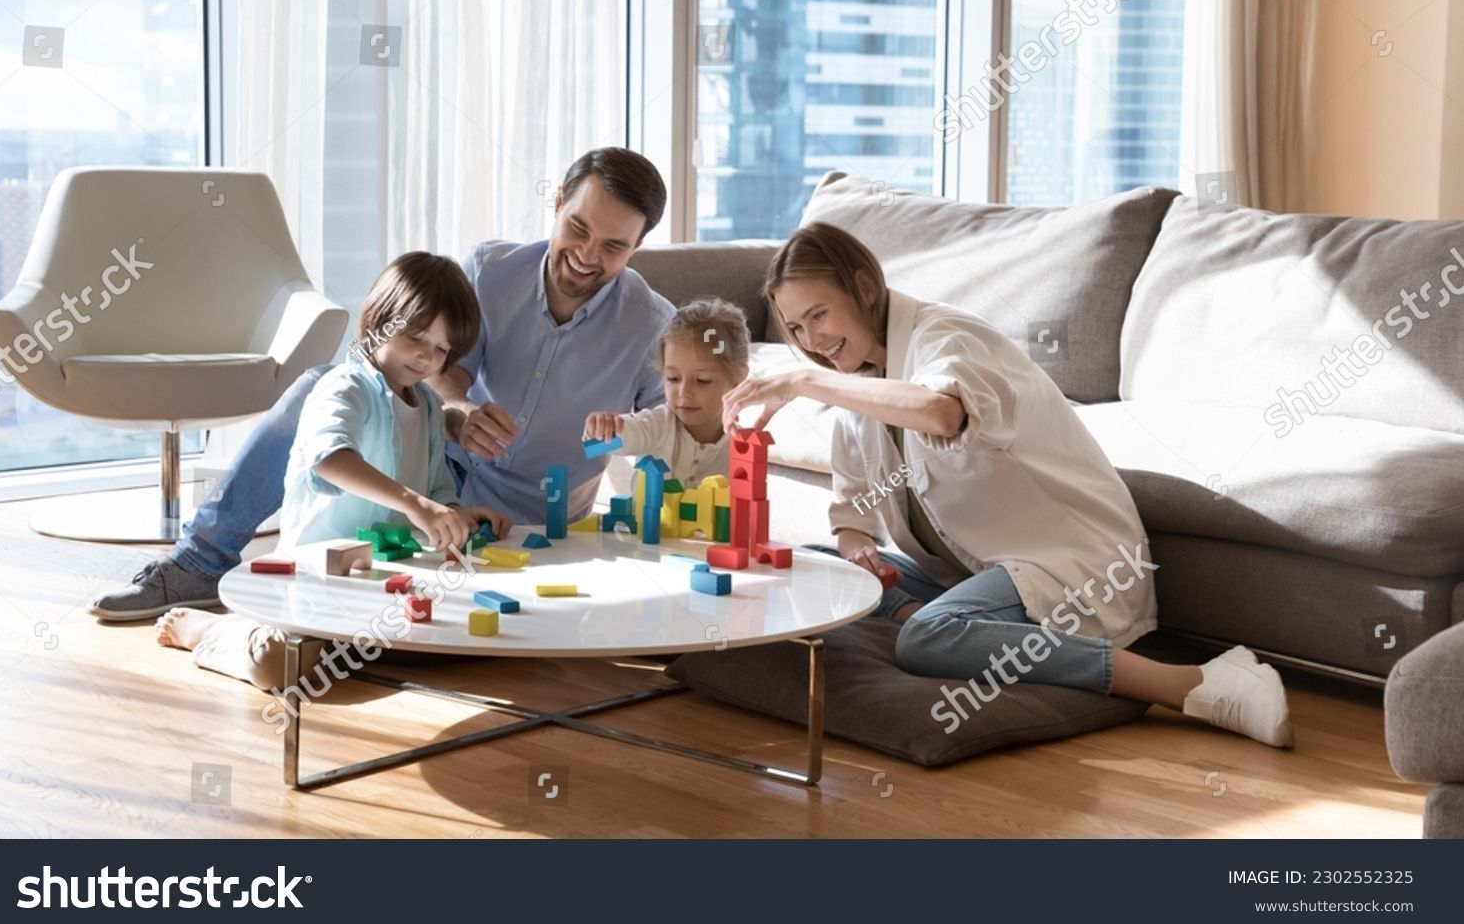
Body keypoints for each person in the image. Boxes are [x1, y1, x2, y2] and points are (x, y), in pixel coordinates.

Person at [720, 222, 1294, 748]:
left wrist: (804, 382)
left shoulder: (947, 338)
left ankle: (1191, 682)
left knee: (925, 639)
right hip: (970, 571)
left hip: (1071, 563)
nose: (811, 339)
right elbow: (850, 514)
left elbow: (942, 412)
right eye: (795, 328)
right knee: (813, 563)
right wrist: (856, 548)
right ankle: (940, 622)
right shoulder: (856, 388)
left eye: (818, 315)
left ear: (864, 288)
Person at [91, 147, 674, 621]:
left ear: (639, 245)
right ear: (555, 203)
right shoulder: (492, 270)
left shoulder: (652, 326)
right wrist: (457, 407)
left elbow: (674, 436)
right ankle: (200, 561)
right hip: (427, 469)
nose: (586, 256)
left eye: (614, 246)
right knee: (324, 385)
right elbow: (443, 367)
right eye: (577, 228)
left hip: (520, 516)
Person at [154, 253, 511, 688]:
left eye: (441, 349)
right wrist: (415, 505)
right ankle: (214, 630)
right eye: (415, 337)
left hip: (388, 581)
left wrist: (456, 511)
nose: (426, 357)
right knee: (278, 665)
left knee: (471, 643)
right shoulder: (346, 386)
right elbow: (331, 457)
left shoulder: (431, 406)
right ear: (380, 320)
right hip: (320, 579)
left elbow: (435, 486)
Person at [582, 297, 750, 490]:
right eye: (673, 378)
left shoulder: (741, 445)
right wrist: (602, 429)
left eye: (702, 381)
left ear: (738, 378)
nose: (684, 393)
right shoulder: (659, 424)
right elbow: (608, 442)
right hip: (647, 521)